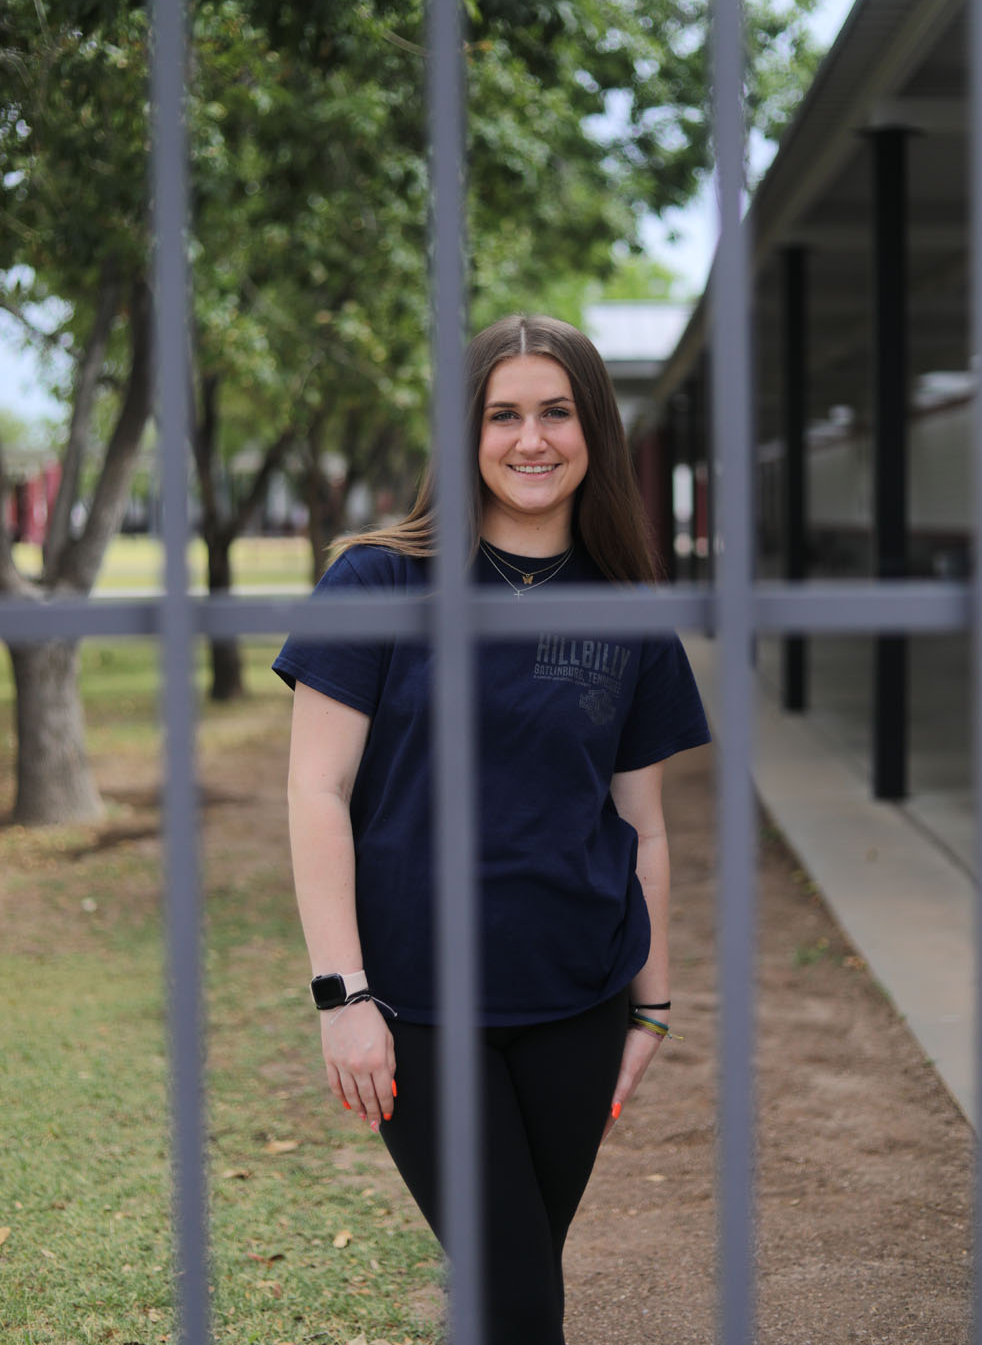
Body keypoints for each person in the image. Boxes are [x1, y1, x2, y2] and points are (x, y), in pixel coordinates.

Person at [273, 314, 710, 1345]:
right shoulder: (376, 583)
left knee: (509, 1283)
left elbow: (640, 823)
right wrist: (343, 996)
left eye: (556, 412)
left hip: (578, 999)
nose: (531, 439)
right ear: (463, 433)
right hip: (417, 1007)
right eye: (501, 414)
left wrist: (651, 1007)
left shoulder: (626, 610)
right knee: (519, 1299)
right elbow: (314, 793)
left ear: (592, 429)